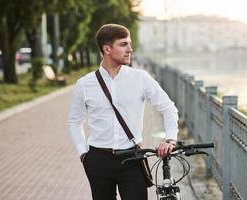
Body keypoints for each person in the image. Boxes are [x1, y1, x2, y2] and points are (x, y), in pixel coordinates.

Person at [68, 23, 178, 200]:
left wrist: (170, 139)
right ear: (107, 49)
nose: (130, 49)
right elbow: (74, 121)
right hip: (98, 160)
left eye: (130, 44)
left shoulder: (140, 78)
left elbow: (168, 108)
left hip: (132, 158)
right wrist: (83, 154)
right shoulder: (84, 84)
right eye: (123, 44)